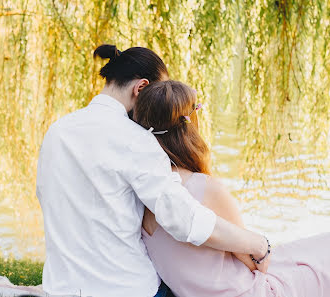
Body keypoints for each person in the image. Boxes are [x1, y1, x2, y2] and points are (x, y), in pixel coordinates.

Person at [36, 44, 270, 297]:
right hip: (126, 290)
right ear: (141, 88)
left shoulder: (57, 131)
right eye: (156, 94)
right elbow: (183, 218)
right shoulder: (136, 140)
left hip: (59, 288)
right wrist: (255, 243)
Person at [135, 80, 330, 297]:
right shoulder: (204, 188)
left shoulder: (139, 196)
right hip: (249, 292)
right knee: (322, 257)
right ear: (190, 124)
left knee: (308, 252)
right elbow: (254, 262)